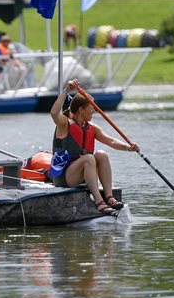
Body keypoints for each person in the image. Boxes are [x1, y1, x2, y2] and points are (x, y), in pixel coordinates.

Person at [50, 79, 139, 213]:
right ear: (81, 109)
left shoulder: (92, 128)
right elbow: (54, 113)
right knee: (89, 158)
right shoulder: (64, 124)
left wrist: (128, 147)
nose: (94, 112)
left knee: (101, 155)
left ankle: (109, 197)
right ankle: (99, 201)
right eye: (91, 109)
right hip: (64, 177)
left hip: (81, 173)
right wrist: (66, 91)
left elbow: (112, 141)